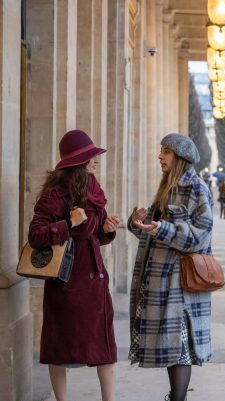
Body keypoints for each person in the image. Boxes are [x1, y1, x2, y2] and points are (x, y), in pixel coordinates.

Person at [28, 130, 119, 401]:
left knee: (105, 346)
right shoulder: (55, 195)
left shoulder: (94, 190)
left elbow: (96, 237)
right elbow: (35, 236)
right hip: (66, 283)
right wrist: (69, 223)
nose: (96, 160)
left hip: (95, 281)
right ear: (79, 161)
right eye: (92, 156)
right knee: (60, 347)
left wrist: (107, 229)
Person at [127, 133, 214, 401]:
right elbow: (153, 232)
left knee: (181, 346)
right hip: (160, 280)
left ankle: (177, 399)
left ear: (180, 157)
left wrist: (162, 228)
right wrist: (136, 223)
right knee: (171, 344)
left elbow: (202, 234)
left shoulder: (197, 188)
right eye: (160, 150)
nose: (160, 156)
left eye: (166, 151)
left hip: (181, 282)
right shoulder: (168, 187)